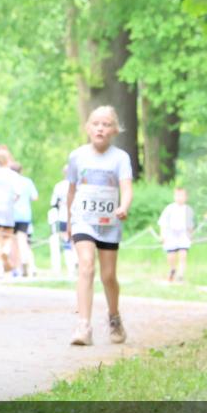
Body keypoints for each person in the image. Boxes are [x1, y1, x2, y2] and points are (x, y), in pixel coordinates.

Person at [66, 105, 133, 346]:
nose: (100, 128)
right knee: (86, 266)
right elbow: (71, 189)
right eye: (96, 124)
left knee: (108, 276)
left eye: (106, 124)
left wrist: (123, 207)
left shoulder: (120, 158)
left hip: (108, 223)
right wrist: (68, 221)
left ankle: (114, 318)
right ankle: (83, 326)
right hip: (82, 219)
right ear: (88, 127)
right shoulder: (77, 156)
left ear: (114, 130)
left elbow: (126, 188)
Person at [158, 187, 195, 283]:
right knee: (171, 255)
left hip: (183, 235)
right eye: (177, 195)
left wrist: (191, 234)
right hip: (171, 235)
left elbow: (190, 224)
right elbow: (163, 222)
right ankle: (172, 269)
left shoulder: (188, 210)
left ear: (186, 197)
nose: (179, 198)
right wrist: (162, 234)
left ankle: (181, 275)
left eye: (181, 195)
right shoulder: (169, 208)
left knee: (183, 254)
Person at [10, 162, 39, 277]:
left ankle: (17, 268)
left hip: (11, 215)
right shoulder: (27, 182)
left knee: (13, 242)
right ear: (21, 171)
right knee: (24, 241)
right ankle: (30, 266)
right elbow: (35, 197)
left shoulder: (10, 182)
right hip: (25, 215)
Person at [48, 166, 75, 276]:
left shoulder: (59, 186)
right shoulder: (78, 185)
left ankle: (71, 267)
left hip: (63, 216)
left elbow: (53, 203)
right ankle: (76, 261)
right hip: (77, 217)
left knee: (66, 240)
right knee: (76, 241)